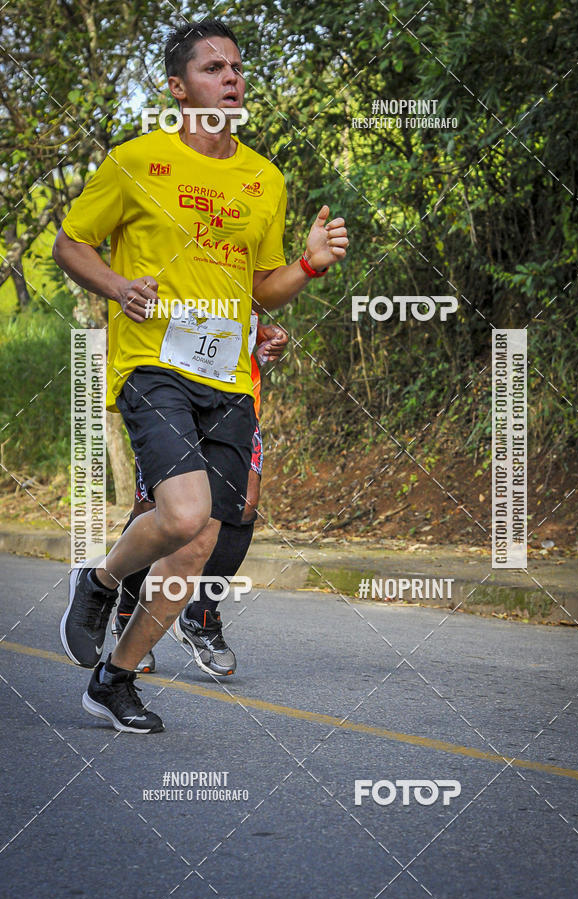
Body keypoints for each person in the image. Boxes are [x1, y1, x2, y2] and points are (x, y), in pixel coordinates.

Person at [53, 18, 348, 734]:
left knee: (198, 540)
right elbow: (70, 243)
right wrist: (119, 285)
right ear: (179, 88)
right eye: (214, 67)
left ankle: (115, 677)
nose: (232, 77)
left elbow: (257, 286)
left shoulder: (263, 178)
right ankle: (99, 581)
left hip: (230, 377)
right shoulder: (135, 161)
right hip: (152, 362)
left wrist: (306, 266)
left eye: (237, 67)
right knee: (182, 513)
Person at [112, 319, 288, 675]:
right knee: (155, 507)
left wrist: (269, 334)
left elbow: (260, 298)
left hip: (235, 398)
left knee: (244, 505)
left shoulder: (247, 268)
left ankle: (202, 615)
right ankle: (128, 611)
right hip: (170, 396)